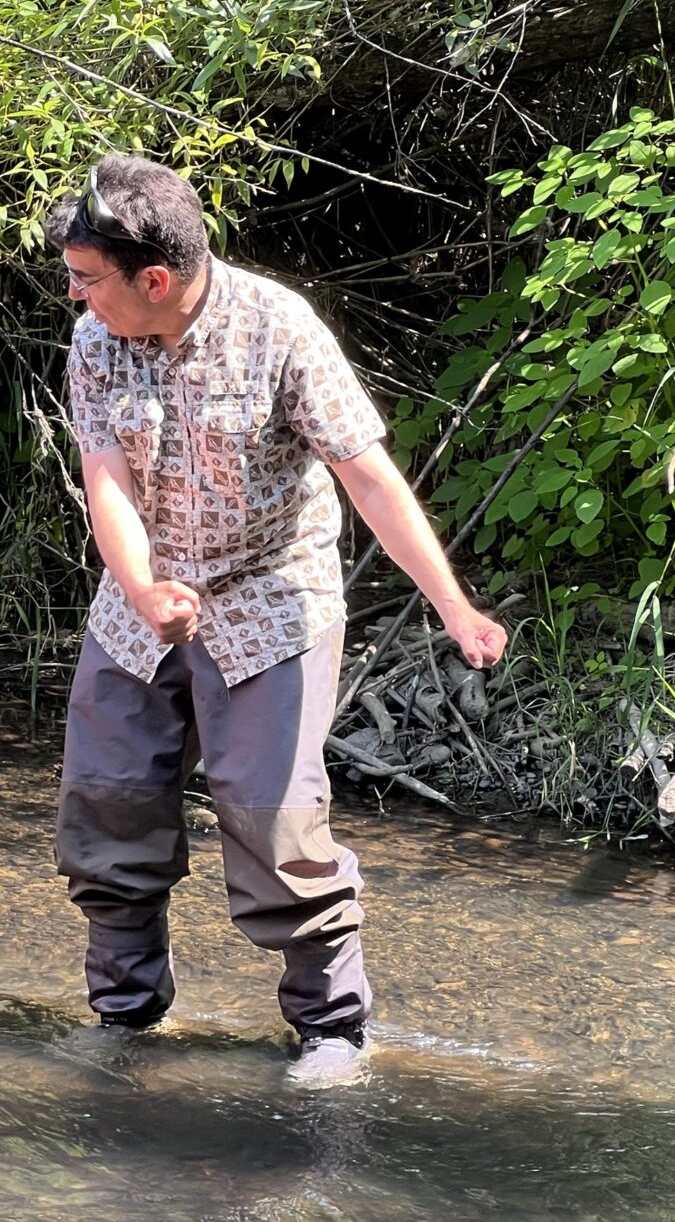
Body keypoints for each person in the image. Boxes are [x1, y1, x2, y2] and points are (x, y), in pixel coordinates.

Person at [46, 155, 508, 1085]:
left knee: (273, 816)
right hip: (142, 599)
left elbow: (368, 476)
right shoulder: (97, 342)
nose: (74, 294)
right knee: (108, 799)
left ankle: (331, 1029)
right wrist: (141, 586)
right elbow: (107, 480)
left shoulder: (279, 329)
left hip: (271, 600)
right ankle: (125, 1015)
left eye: (87, 277)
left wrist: (453, 606)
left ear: (155, 279)